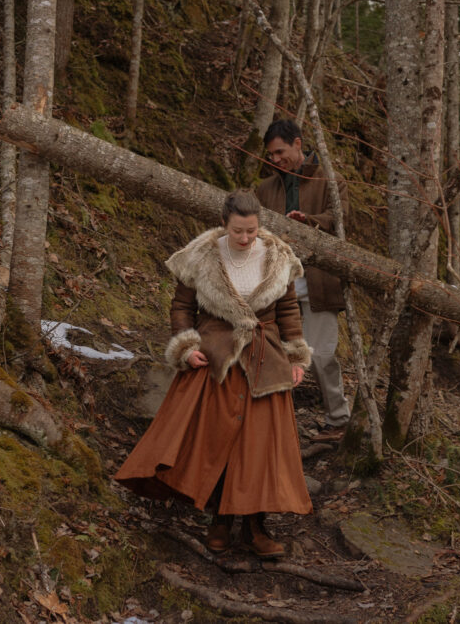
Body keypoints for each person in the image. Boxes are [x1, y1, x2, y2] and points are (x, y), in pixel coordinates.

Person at [115, 189, 313, 558]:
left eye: (251, 231)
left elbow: (288, 311)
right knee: (217, 441)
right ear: (224, 224)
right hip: (216, 359)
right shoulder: (202, 256)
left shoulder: (278, 258)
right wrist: (187, 348)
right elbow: (181, 307)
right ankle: (219, 521)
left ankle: (256, 528)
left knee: (259, 448)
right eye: (238, 230)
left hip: (264, 361)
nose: (244, 238)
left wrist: (296, 356)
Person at [255, 119, 350, 443]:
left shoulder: (330, 181)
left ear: (297, 144)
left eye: (280, 151)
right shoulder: (266, 189)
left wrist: (308, 222)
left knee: (321, 356)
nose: (276, 159)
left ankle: (338, 420)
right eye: (271, 155)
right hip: (278, 287)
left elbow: (339, 221)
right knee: (276, 355)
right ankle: (276, 425)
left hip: (319, 284)